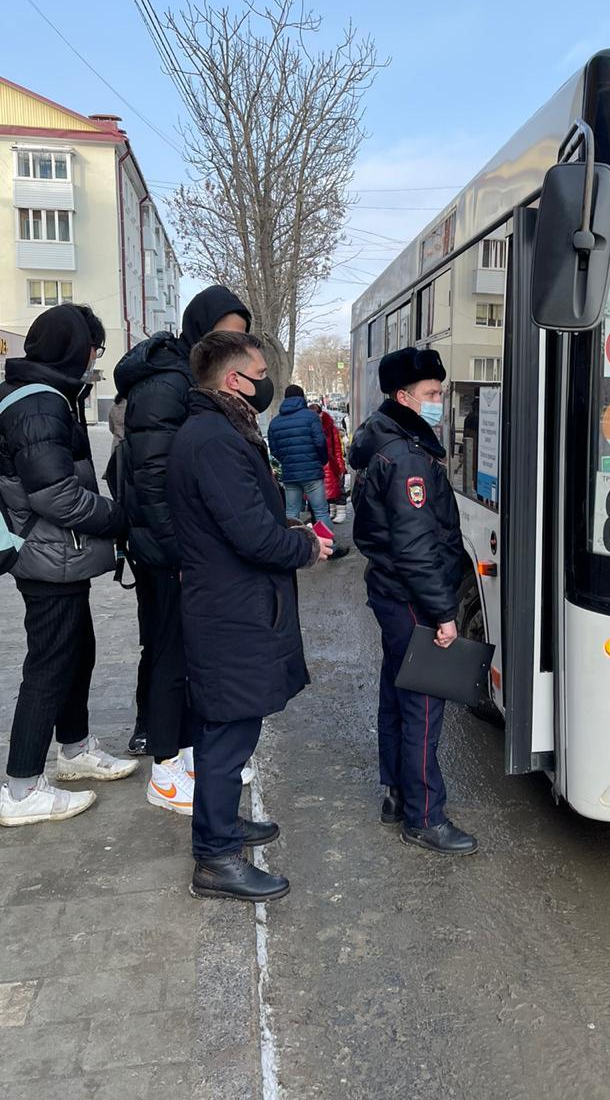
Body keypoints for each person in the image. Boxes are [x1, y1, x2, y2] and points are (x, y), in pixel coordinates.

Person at [168, 331, 331, 901]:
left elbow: (245, 519)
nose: (265, 380)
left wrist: (287, 532)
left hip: (233, 605)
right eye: (259, 371)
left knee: (235, 724)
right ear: (235, 379)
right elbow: (250, 535)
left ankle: (225, 826)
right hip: (228, 610)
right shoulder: (214, 439)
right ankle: (215, 858)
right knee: (226, 733)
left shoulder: (220, 431)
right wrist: (305, 546)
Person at [0, 304, 137, 827]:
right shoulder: (38, 404)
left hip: (61, 555)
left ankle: (75, 749)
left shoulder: (48, 395)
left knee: (77, 652)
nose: (95, 359)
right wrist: (118, 517)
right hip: (46, 554)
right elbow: (56, 496)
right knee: (50, 664)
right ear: (75, 348)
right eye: (94, 348)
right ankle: (20, 788)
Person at [113, 285, 251, 802]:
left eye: (239, 339)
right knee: (170, 652)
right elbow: (153, 480)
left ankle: (191, 756)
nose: (232, 346)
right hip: (166, 550)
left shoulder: (191, 377)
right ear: (200, 328)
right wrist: (178, 553)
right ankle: (166, 770)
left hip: (184, 549)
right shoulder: (167, 384)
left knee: (190, 655)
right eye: (224, 335)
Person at [350, 347, 477, 856]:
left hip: (392, 591)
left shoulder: (387, 438)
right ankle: (425, 816)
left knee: (397, 693)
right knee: (423, 706)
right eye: (430, 394)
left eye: (439, 393)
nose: (438, 402)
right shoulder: (405, 456)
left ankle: (398, 795)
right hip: (412, 597)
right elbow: (417, 546)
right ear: (404, 397)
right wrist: (443, 614)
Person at [268, 385, 348, 556]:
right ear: (302, 397)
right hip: (312, 472)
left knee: (291, 512)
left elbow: (274, 450)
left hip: (290, 474)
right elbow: (320, 443)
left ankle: (293, 550)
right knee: (320, 511)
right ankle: (329, 548)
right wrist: (321, 461)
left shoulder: (275, 422)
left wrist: (287, 461)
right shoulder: (310, 417)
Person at [309, 401, 348, 524]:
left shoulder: (330, 427)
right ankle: (331, 511)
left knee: (336, 487)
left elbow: (336, 447)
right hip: (320, 463)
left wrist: (340, 464)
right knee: (326, 490)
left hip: (330, 463)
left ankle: (340, 511)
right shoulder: (311, 426)